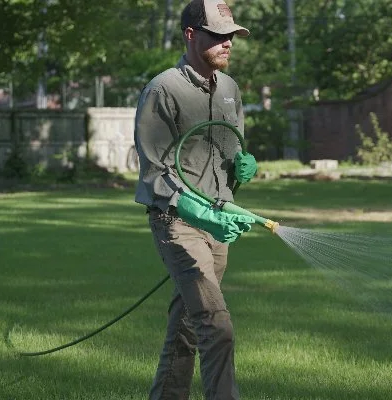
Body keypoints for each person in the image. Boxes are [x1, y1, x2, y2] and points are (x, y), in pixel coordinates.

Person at [133, 1, 257, 399]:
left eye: (231, 36)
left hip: (219, 222)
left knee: (188, 325)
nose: (227, 44)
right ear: (191, 35)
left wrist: (243, 166)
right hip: (178, 223)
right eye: (218, 36)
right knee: (216, 325)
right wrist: (199, 212)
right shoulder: (162, 89)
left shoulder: (230, 89)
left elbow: (230, 151)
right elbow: (154, 173)